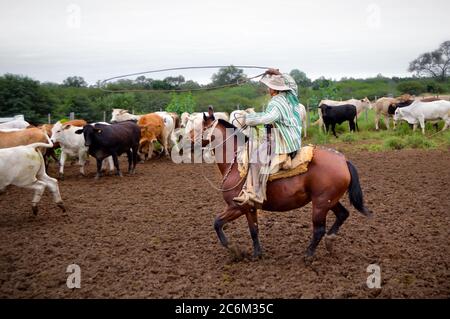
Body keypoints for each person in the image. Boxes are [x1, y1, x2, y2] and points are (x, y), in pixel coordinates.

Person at [233, 69, 303, 207]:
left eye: (270, 86)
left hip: (284, 140)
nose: (268, 89)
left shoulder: (276, 103)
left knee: (255, 160)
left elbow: (267, 117)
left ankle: (255, 195)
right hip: (295, 136)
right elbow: (293, 84)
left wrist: (248, 119)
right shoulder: (290, 95)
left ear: (274, 89)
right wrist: (278, 73)